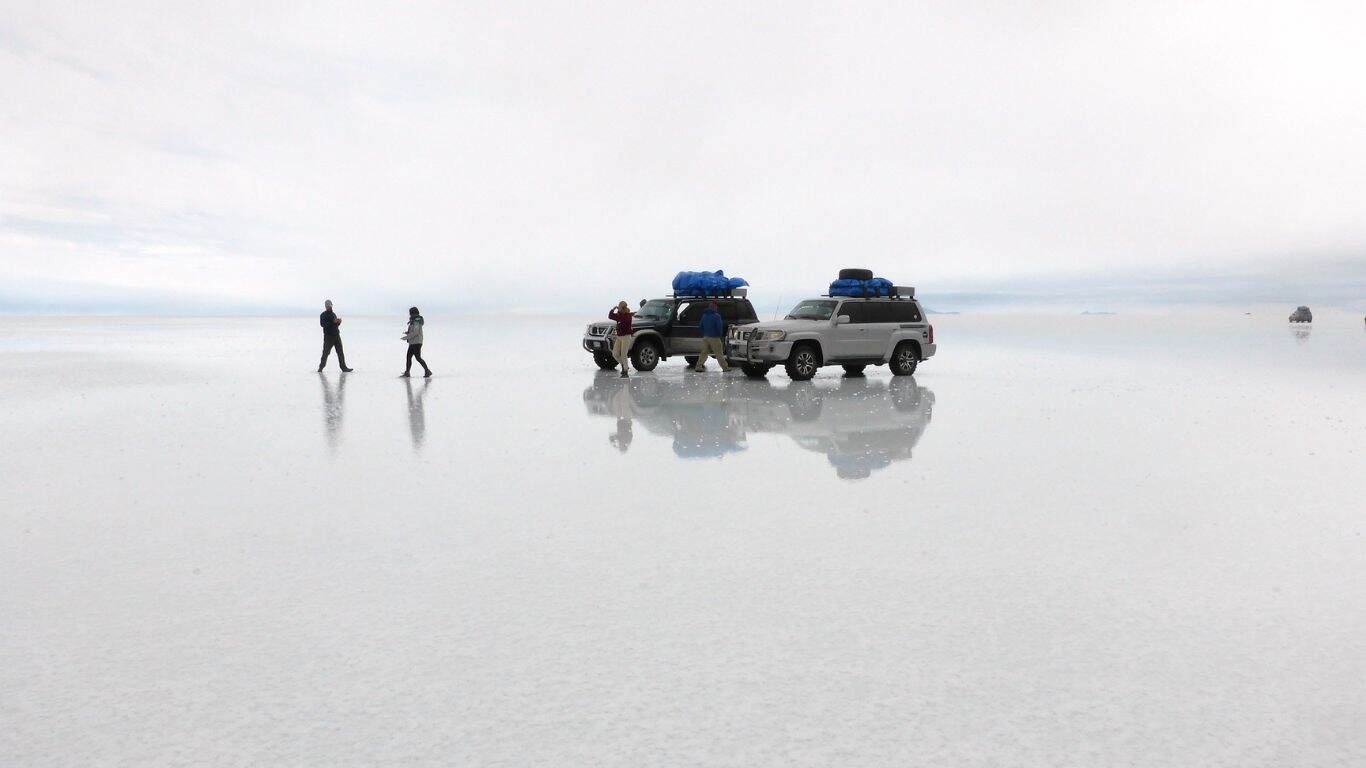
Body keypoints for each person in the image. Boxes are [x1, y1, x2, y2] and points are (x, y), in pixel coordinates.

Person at [693, 301, 730, 372]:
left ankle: (698, 366)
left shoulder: (704, 315)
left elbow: (700, 326)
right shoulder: (716, 316)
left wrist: (704, 333)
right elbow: (719, 327)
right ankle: (725, 367)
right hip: (715, 338)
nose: (716, 308)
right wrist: (720, 335)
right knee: (719, 353)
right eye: (715, 307)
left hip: (706, 337)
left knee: (704, 353)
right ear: (714, 307)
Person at [318, 299, 353, 372]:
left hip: (336, 336)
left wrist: (338, 322)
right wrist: (333, 322)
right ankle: (321, 367)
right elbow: (323, 325)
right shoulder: (323, 315)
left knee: (340, 352)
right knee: (326, 353)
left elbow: (335, 325)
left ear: (331, 305)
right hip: (328, 337)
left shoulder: (333, 314)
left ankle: (343, 367)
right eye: (327, 305)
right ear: (325, 306)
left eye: (329, 305)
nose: (328, 306)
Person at [400, 306, 432, 378]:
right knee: (409, 357)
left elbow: (416, 332)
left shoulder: (416, 321)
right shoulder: (414, 321)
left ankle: (427, 371)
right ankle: (407, 372)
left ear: (413, 313)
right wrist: (408, 333)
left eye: (410, 313)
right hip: (413, 342)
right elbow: (413, 331)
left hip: (416, 342)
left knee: (417, 357)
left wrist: (406, 337)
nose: (409, 314)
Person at [608, 300, 634, 378]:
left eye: (619, 306)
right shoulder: (619, 315)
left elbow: (623, 322)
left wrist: (619, 315)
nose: (618, 307)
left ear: (622, 307)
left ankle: (625, 371)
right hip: (619, 337)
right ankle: (624, 365)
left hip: (626, 336)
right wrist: (613, 310)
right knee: (615, 353)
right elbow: (610, 316)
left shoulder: (628, 315)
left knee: (623, 354)